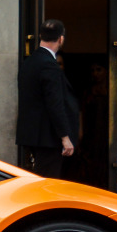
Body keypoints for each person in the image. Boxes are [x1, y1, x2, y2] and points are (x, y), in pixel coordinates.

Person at [17, 19, 78, 178]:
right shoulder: (49, 64)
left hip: (32, 135)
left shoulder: (29, 62)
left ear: (40, 36)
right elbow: (54, 104)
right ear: (61, 39)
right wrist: (65, 137)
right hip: (48, 137)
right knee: (47, 184)